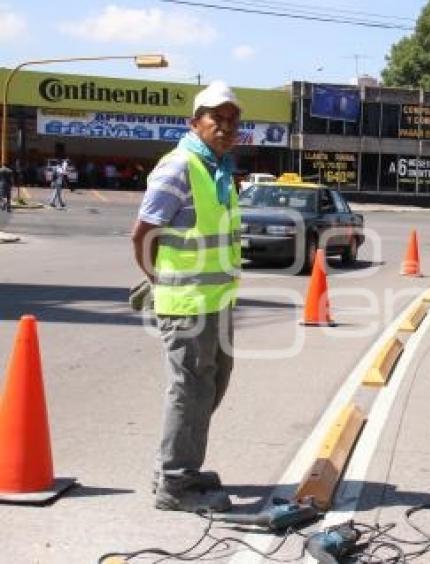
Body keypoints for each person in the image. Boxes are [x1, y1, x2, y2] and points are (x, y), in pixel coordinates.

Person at [131, 81, 242, 513]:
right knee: (189, 391)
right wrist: (160, 281)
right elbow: (143, 235)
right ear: (195, 122)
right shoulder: (179, 166)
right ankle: (176, 484)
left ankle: (176, 467)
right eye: (217, 118)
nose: (226, 126)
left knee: (210, 387)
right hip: (187, 304)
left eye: (233, 120)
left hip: (216, 301)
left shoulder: (218, 170)